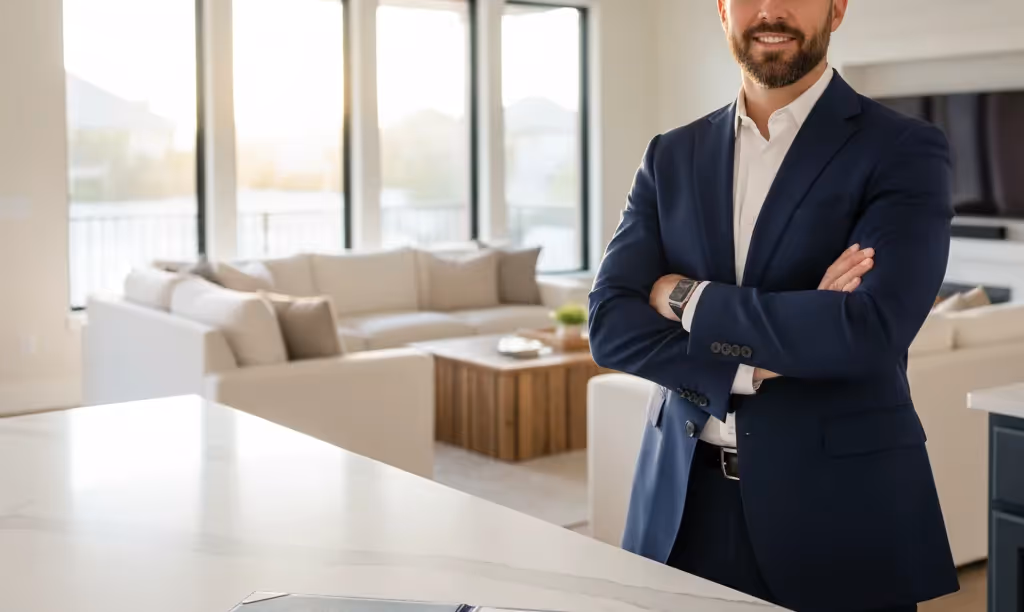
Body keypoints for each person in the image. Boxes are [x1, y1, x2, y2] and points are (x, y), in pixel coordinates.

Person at [587, 1, 960, 611]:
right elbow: (609, 326)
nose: (771, 10)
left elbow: (867, 332)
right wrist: (763, 358)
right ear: (722, 9)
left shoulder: (905, 149)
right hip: (682, 506)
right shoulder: (669, 155)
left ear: (837, 8)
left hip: (840, 514)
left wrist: (682, 296)